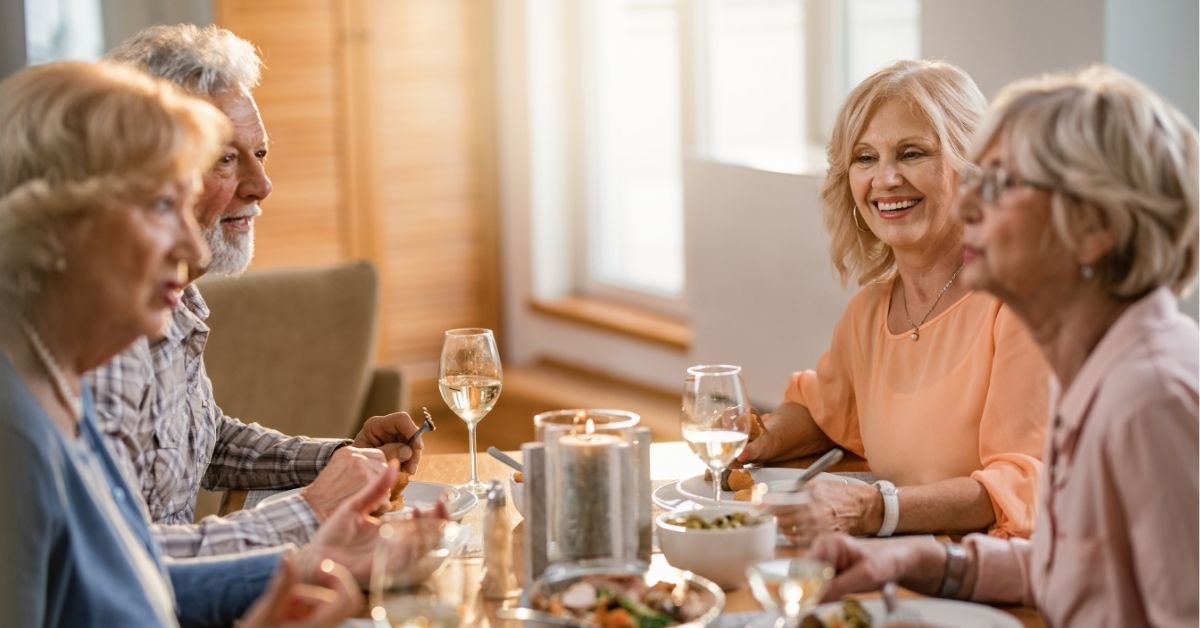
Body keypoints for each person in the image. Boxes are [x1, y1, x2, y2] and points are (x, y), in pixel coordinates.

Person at [0, 60, 418, 628]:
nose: (194, 252)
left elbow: (132, 577)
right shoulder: (18, 435)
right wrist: (304, 521)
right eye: (162, 205)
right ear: (62, 225)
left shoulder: (57, 381)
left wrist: (308, 562)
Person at [809, 65, 1198, 627]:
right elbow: (1075, 569)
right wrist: (920, 558)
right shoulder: (1092, 369)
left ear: (1094, 229)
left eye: (999, 186)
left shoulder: (1148, 399)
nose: (967, 207)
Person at [87, 23, 426, 558]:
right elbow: (119, 563)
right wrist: (311, 510)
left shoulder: (177, 293)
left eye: (260, 153)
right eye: (225, 158)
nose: (261, 185)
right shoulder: (104, 335)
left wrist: (337, 459)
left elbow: (204, 440)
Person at [742, 60, 1050, 540]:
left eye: (911, 153)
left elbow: (1022, 488)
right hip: (900, 570)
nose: (884, 180)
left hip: (997, 586)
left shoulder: (1021, 305)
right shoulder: (868, 314)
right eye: (865, 158)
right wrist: (757, 439)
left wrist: (876, 508)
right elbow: (825, 411)